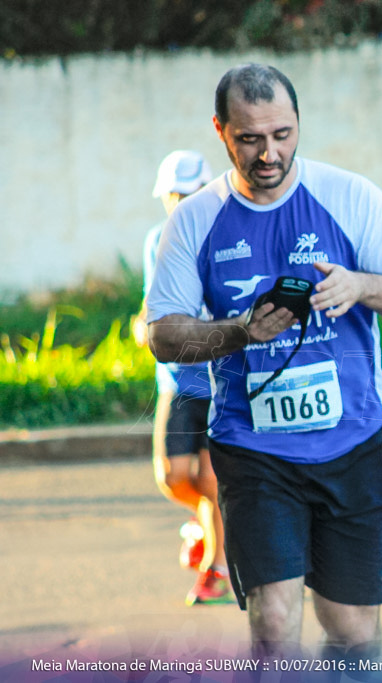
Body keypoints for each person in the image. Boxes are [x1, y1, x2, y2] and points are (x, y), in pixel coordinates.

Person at [145, 63, 382, 661]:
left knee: (352, 632)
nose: (269, 153)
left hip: (353, 443)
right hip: (253, 450)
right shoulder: (194, 219)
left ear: (299, 123)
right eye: (250, 138)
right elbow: (164, 336)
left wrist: (360, 286)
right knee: (274, 624)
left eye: (281, 134)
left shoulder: (349, 195)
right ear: (221, 131)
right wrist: (239, 333)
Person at [134, 150, 232, 606]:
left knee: (213, 481)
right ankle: (202, 523)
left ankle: (215, 569)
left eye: (191, 194)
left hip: (219, 379)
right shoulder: (156, 240)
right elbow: (151, 307)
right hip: (175, 379)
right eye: (174, 195)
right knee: (171, 476)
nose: (182, 203)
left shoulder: (227, 237)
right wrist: (144, 326)